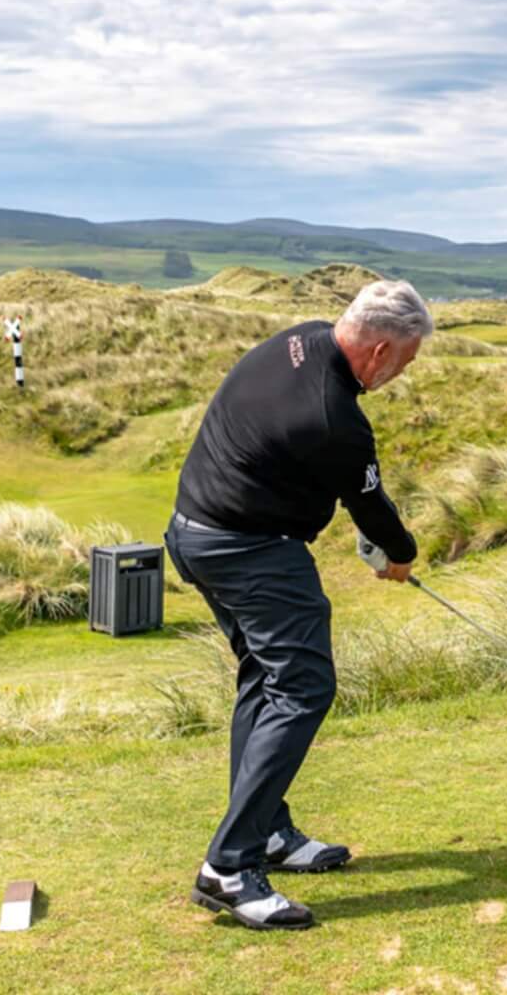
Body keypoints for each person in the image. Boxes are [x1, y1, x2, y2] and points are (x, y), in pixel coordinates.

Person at [164, 278, 433, 930]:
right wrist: (401, 555)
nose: (403, 372)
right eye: (406, 358)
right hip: (249, 550)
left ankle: (269, 834)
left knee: (265, 680)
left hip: (194, 533)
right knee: (303, 686)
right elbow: (370, 508)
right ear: (377, 350)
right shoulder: (334, 417)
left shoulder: (302, 338)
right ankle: (228, 868)